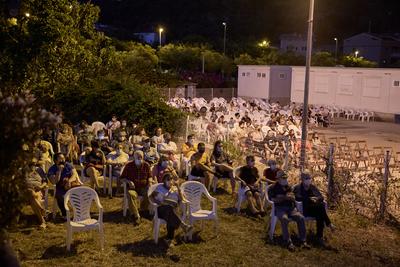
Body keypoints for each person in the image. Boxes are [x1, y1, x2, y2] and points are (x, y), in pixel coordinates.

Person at [268, 170, 310, 251]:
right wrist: (284, 197)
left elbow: (293, 197)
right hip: (280, 208)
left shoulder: (288, 187)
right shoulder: (273, 188)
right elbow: (273, 199)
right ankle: (288, 241)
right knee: (284, 219)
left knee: (301, 218)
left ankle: (303, 240)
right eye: (283, 178)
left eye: (286, 177)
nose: (285, 179)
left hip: (291, 208)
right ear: (278, 179)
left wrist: (292, 198)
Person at [150, 173, 192, 247]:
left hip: (173, 210)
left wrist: (178, 188)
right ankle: (183, 225)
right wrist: (159, 202)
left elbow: (182, 199)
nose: (170, 181)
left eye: (171, 179)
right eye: (168, 179)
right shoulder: (160, 187)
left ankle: (169, 239)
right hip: (161, 209)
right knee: (169, 209)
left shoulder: (175, 189)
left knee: (171, 213)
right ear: (164, 181)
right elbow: (151, 197)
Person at [293, 173, 334, 246]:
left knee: (320, 213)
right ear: (302, 180)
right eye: (306, 178)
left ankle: (319, 236)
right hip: (304, 209)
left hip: (315, 209)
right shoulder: (298, 187)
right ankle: (328, 224)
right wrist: (310, 199)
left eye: (309, 178)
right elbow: (298, 197)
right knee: (321, 208)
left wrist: (317, 199)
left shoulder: (312, 187)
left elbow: (321, 197)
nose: (308, 180)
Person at [119, 150, 152, 225]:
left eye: (141, 157)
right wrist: (128, 181)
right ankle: (136, 215)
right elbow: (122, 178)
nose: (139, 159)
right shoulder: (129, 166)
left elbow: (150, 176)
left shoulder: (146, 165)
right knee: (131, 194)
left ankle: (143, 210)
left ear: (143, 158)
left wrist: (150, 182)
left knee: (149, 193)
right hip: (132, 188)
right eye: (137, 157)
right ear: (134, 157)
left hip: (143, 187)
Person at [47, 153, 81, 218]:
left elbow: (74, 174)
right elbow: (54, 181)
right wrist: (59, 171)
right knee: (60, 197)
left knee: (80, 193)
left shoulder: (68, 165)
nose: (63, 160)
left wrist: (69, 181)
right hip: (60, 187)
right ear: (56, 160)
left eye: (63, 158)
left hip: (71, 184)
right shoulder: (52, 169)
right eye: (60, 158)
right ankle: (64, 213)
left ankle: (79, 213)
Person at [26, 159, 48, 229]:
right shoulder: (23, 171)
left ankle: (42, 220)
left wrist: (41, 186)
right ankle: (42, 214)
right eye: (31, 164)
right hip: (26, 192)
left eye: (34, 164)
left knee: (32, 198)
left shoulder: (39, 170)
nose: (33, 166)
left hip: (38, 190)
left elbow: (45, 181)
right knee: (30, 192)